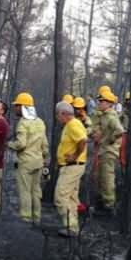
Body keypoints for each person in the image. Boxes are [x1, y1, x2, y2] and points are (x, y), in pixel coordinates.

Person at [7, 93, 48, 224]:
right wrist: (45, 157)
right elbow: (45, 145)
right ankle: (37, 218)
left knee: (24, 190)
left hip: (25, 162)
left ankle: (25, 218)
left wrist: (9, 144)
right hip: (38, 162)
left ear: (23, 107)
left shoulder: (23, 123)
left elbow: (21, 144)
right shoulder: (40, 122)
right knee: (36, 190)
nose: (15, 108)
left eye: (17, 106)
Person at [54, 101, 88, 237]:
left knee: (60, 196)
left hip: (72, 167)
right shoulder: (71, 124)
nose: (57, 118)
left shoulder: (73, 124)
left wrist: (74, 156)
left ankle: (71, 227)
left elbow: (82, 140)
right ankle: (73, 227)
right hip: (72, 167)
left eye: (58, 115)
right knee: (72, 198)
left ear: (63, 114)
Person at [93, 88, 124, 214]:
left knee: (107, 178)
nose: (99, 103)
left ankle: (109, 205)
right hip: (104, 150)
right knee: (101, 178)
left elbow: (120, 131)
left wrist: (109, 140)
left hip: (109, 152)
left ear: (109, 103)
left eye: (102, 101)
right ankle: (102, 203)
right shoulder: (104, 115)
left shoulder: (111, 117)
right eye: (99, 101)